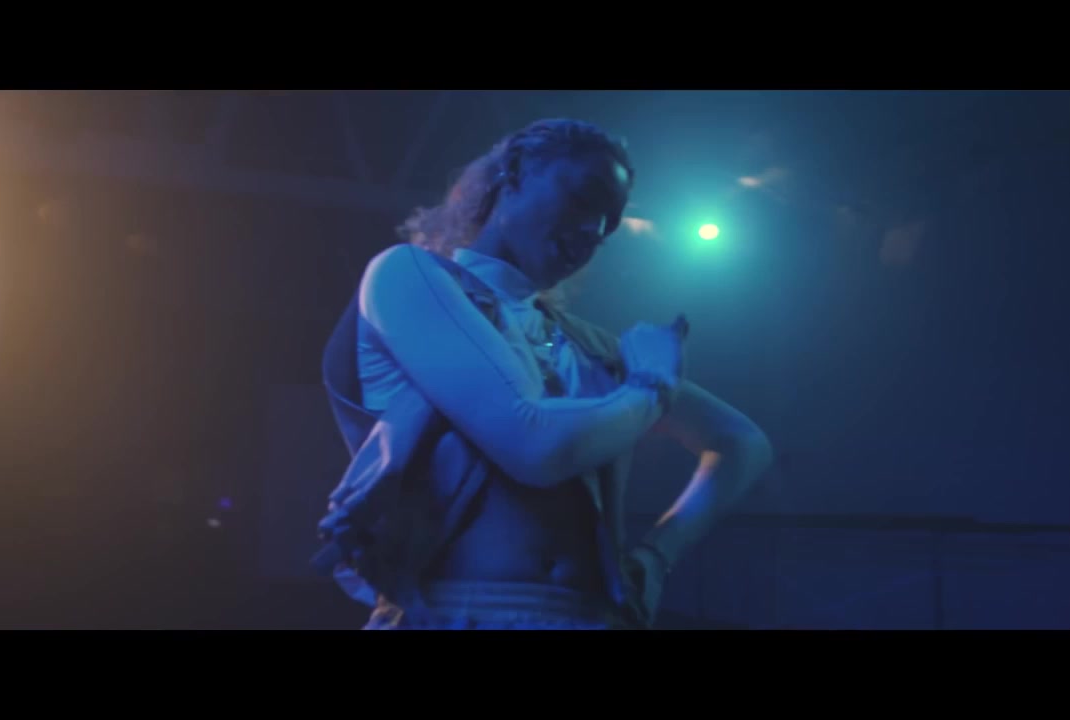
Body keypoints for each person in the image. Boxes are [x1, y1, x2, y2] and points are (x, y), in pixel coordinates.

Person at [316, 118, 773, 629]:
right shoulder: (407, 275)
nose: (595, 230)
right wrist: (651, 388)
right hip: (451, 612)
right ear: (513, 173)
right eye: (585, 197)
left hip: (589, 617)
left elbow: (742, 441)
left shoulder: (587, 346)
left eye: (611, 220)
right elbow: (533, 446)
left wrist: (656, 559)